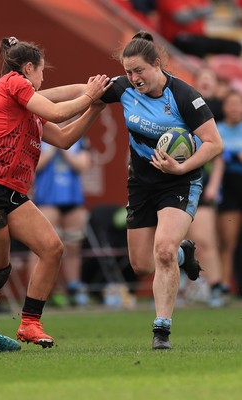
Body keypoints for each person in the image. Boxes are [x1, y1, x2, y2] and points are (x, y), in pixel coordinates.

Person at [0, 36, 111, 352]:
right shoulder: (11, 83)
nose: (42, 82)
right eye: (41, 73)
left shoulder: (26, 104)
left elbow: (65, 137)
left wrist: (96, 102)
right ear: (28, 68)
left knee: (52, 248)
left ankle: (29, 323)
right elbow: (55, 111)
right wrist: (88, 95)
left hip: (10, 193)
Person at [98, 31, 223, 349]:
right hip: (141, 183)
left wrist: (181, 167)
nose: (133, 77)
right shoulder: (124, 88)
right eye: (128, 71)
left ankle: (161, 331)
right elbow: (81, 93)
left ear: (157, 65)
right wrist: (35, 99)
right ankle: (185, 254)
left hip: (180, 181)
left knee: (164, 249)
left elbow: (213, 143)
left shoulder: (184, 95)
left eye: (139, 70)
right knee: (141, 265)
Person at [32, 130, 92, 307]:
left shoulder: (78, 136)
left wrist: (64, 145)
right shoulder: (39, 134)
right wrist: (54, 145)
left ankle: (74, 288)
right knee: (43, 247)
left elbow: (83, 165)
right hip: (48, 198)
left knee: (73, 246)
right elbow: (35, 164)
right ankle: (42, 291)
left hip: (72, 198)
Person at [185, 67, 225, 308]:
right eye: (203, 80)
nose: (207, 84)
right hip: (179, 184)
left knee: (206, 241)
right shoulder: (184, 110)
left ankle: (216, 286)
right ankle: (187, 288)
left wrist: (215, 186)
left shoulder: (214, 113)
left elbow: (218, 157)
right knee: (183, 242)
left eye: (211, 79)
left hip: (203, 183)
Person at [216, 89, 242, 299]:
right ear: (224, 107)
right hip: (228, 188)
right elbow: (215, 153)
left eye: (238, 104)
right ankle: (223, 286)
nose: (234, 108)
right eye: (230, 104)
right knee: (228, 240)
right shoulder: (217, 129)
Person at [156, 0, 242, 58]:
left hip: (199, 36)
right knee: (198, 46)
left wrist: (191, 11)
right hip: (177, 39)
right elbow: (182, 18)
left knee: (234, 46)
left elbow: (210, 10)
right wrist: (199, 11)